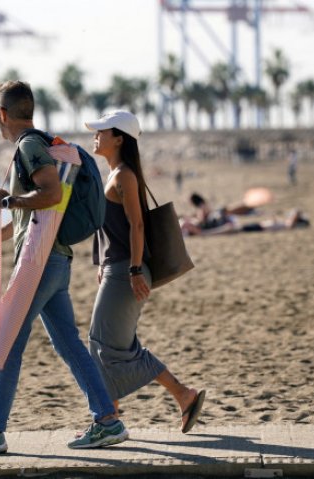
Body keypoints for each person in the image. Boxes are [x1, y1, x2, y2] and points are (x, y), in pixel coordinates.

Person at [0, 81, 128, 454]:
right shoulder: (41, 142)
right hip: (55, 260)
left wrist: (8, 198)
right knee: (68, 344)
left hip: (41, 262)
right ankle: (108, 420)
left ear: (2, 114)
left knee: (8, 339)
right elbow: (40, 209)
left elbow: (51, 193)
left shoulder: (28, 146)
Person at [83, 110, 206, 434]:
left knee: (103, 346)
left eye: (102, 131)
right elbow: (113, 228)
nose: (95, 135)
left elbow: (137, 225)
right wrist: (106, 265)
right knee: (110, 347)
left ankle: (107, 420)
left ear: (119, 139)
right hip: (118, 268)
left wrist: (135, 269)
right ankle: (182, 396)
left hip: (127, 270)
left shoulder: (124, 175)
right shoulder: (113, 174)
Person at [180, 208, 310, 236]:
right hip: (256, 227)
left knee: (231, 228)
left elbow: (292, 221)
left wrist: (297, 213)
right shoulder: (287, 223)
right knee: (232, 228)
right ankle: (203, 232)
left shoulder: (289, 225)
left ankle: (204, 233)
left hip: (258, 228)